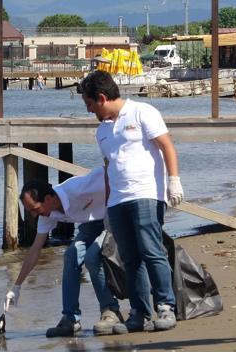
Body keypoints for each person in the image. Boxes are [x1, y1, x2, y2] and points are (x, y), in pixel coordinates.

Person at [78, 70, 184, 334]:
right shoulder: (102, 131)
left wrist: (174, 180)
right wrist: (106, 206)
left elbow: (167, 146)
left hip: (146, 193)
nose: (90, 111)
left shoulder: (142, 112)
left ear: (101, 98)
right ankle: (139, 312)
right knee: (129, 258)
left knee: (152, 250)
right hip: (117, 201)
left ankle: (165, 307)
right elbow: (107, 167)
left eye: (90, 105)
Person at [4, 167, 123, 337]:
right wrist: (16, 286)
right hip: (90, 224)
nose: (34, 215)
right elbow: (35, 250)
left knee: (92, 257)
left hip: (112, 216)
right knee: (71, 255)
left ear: (48, 198)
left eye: (35, 209)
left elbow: (109, 170)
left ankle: (111, 311)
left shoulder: (79, 188)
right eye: (30, 211)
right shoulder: (46, 214)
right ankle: (70, 319)